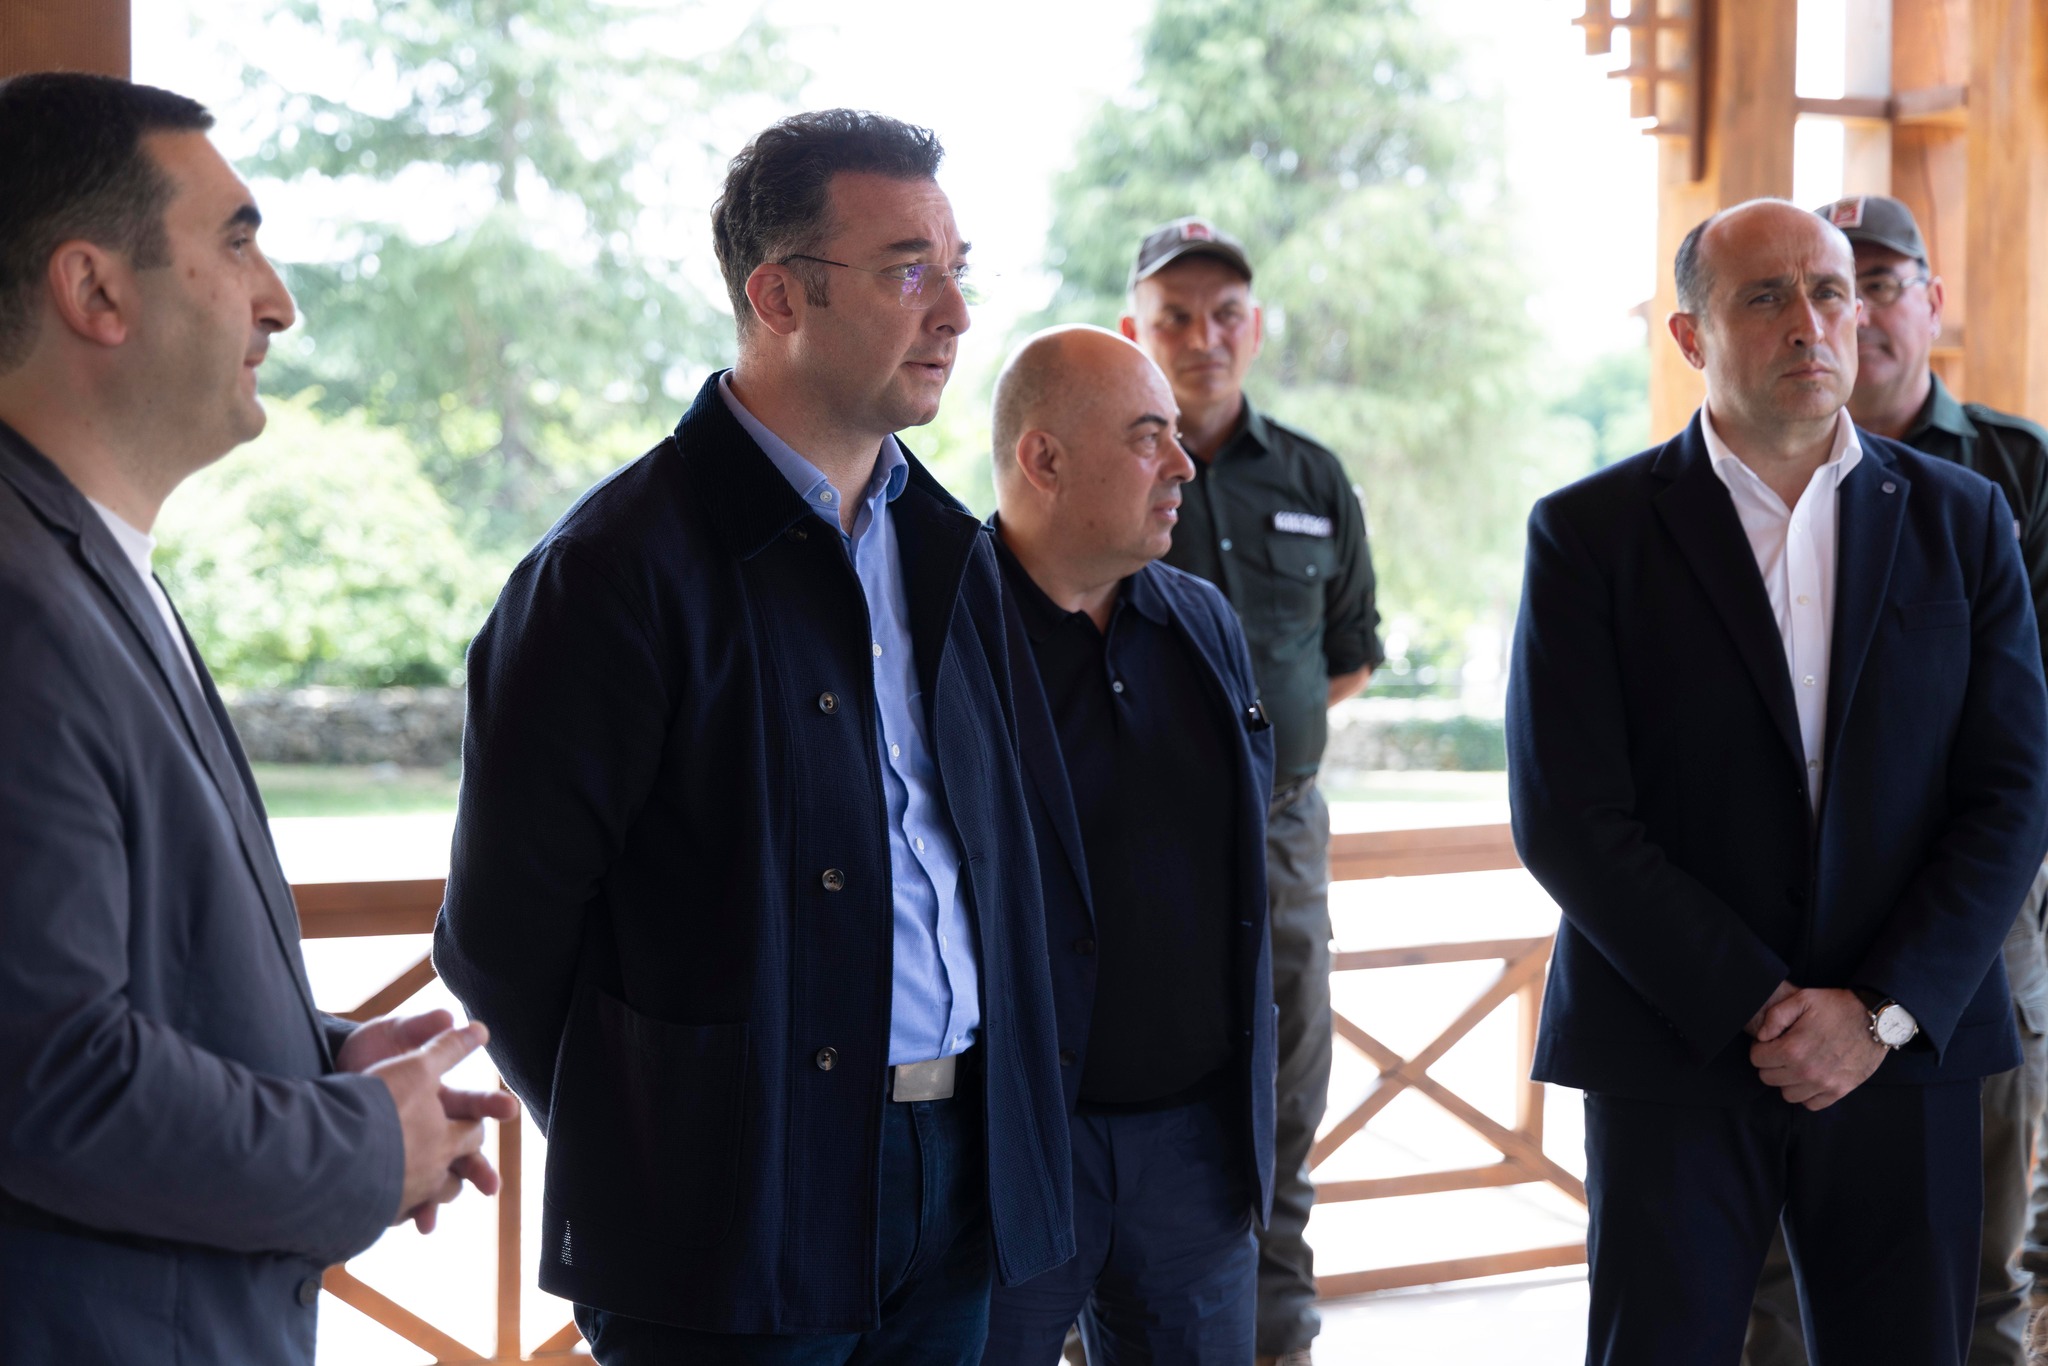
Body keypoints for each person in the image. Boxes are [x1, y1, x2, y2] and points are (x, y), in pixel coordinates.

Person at [434, 110, 1074, 1365]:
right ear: (778, 295)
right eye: (907, 272)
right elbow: (499, 938)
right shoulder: (610, 571)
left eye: (957, 271)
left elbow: (1004, 861)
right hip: (726, 1215)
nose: (953, 314)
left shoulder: (954, 553)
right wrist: (666, 1143)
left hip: (959, 1177)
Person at [0, 72, 515, 1366]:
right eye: (236, 244)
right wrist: (361, 1142)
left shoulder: (76, 562)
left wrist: (318, 1058)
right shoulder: (14, 603)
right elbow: (48, 1075)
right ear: (95, 289)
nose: (278, 301)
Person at [1507, 196, 2048, 1365]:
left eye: (1829, 292)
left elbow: (2010, 793)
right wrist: (1757, 1002)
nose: (1808, 322)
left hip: (1903, 1049)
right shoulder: (1587, 533)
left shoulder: (1964, 518)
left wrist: (1876, 1012)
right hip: (1672, 1040)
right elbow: (1566, 814)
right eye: (1764, 297)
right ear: (1689, 335)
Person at [1740, 193, 2048, 1366]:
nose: (1846, 314)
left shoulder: (2013, 473)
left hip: (1968, 907)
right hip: (1775, 910)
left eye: (1872, 283)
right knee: (1767, 1270)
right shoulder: (1725, 482)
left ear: (1930, 301)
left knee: (1968, 1258)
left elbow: (2021, 730)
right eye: (1818, 288)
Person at [978, 326, 1277, 1366]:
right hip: (1007, 1149)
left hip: (1194, 1154)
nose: (1182, 466)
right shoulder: (942, 631)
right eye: (1148, 438)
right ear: (1044, 459)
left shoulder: (1203, 622)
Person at [1119, 217, 1382, 1366]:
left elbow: (1345, 652)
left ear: (1255, 327)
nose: (1202, 337)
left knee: (1282, 1099)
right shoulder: (1102, 461)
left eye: (1224, 314)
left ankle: (1274, 1343)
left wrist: (1255, 746)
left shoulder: (1312, 474)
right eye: (1173, 316)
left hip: (1279, 831)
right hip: (1132, 843)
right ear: (1133, 329)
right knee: (1121, 1098)